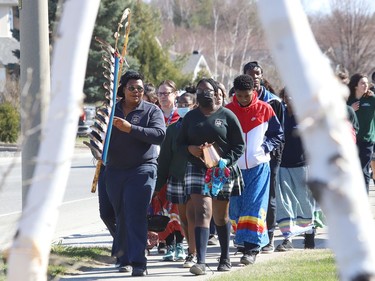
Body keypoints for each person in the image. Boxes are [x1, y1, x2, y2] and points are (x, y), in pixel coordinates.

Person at [176, 77, 245, 275]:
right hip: (197, 169)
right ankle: (201, 262)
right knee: (203, 212)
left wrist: (227, 160)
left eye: (207, 90)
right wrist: (191, 148)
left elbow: (239, 145)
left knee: (220, 216)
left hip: (221, 170)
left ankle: (225, 257)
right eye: (199, 91)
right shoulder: (190, 117)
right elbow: (179, 145)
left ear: (216, 93)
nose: (203, 93)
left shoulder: (227, 115)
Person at [105, 70, 166, 276]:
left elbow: (159, 135)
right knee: (119, 214)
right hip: (114, 170)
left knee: (136, 213)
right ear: (122, 89)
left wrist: (131, 128)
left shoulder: (151, 111)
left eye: (140, 88)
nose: (136, 92)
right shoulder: (111, 111)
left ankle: (139, 262)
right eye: (132, 88)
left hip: (142, 169)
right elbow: (100, 136)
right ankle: (123, 257)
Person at [226, 74, 283, 265]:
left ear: (254, 92)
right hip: (235, 169)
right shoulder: (228, 111)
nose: (243, 99)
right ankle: (242, 242)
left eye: (246, 95)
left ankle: (252, 248)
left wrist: (265, 148)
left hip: (259, 167)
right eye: (240, 95)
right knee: (236, 207)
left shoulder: (265, 109)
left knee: (254, 205)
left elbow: (277, 134)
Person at [243, 61, 285, 253]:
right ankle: (246, 235)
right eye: (251, 74)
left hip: (269, 157)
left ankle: (268, 235)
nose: (256, 77)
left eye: (258, 74)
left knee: (269, 196)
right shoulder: (239, 98)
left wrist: (266, 149)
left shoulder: (273, 101)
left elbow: (279, 133)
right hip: (244, 158)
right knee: (246, 197)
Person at [155, 92, 198, 267]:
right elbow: (164, 159)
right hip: (177, 178)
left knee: (196, 217)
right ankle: (184, 249)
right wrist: (158, 185)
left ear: (194, 105)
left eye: (186, 103)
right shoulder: (172, 130)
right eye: (179, 103)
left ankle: (195, 252)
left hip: (197, 179)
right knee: (182, 218)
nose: (182, 106)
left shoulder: (200, 127)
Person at [274, 88, 316, 251]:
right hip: (282, 165)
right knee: (283, 202)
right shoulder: (280, 114)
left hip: (303, 165)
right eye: (286, 95)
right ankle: (287, 238)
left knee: (305, 202)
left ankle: (309, 236)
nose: (290, 98)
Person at [153, 79, 185, 259]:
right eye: (160, 94)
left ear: (175, 94)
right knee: (161, 207)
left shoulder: (182, 116)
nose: (163, 97)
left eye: (167, 93)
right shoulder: (152, 114)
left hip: (176, 168)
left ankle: (180, 244)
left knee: (177, 207)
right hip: (157, 167)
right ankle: (168, 243)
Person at [347, 73, 375, 193]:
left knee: (363, 170)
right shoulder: (348, 100)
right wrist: (349, 109)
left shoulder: (371, 98)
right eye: (362, 83)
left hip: (367, 140)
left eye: (367, 83)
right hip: (350, 141)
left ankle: (363, 198)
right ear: (355, 86)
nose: (366, 85)